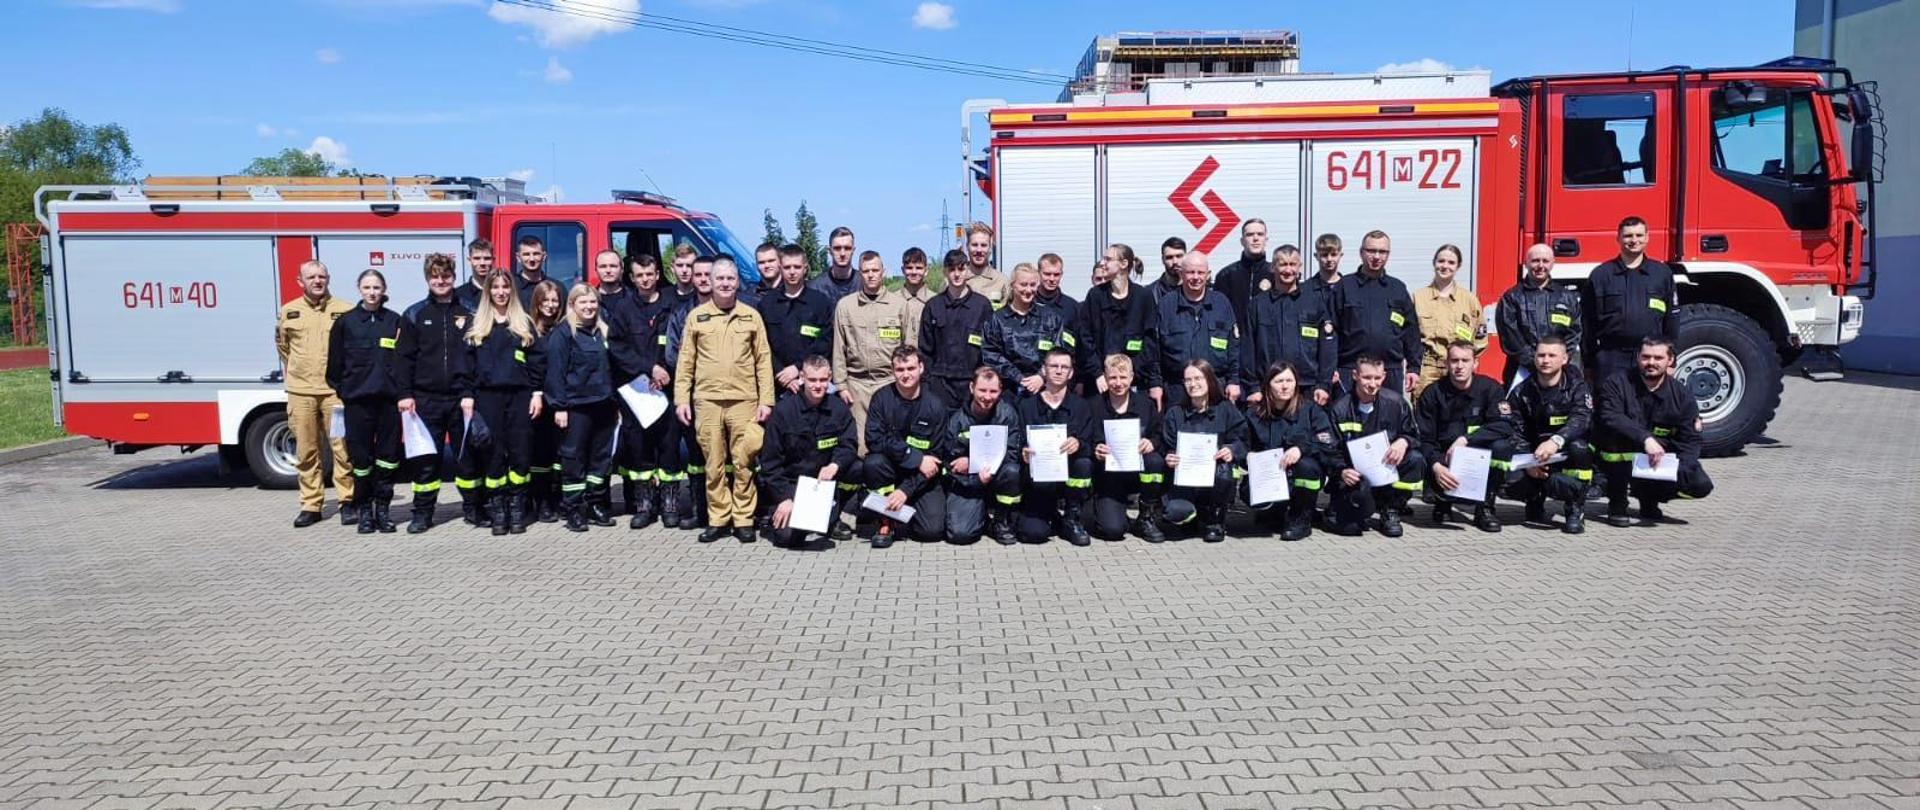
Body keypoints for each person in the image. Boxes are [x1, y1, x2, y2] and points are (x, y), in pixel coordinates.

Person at [675, 257, 776, 543]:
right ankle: (718, 518)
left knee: (744, 461)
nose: (725, 284)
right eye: (720, 279)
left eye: (730, 279)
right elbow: (686, 361)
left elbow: (763, 359)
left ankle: (743, 519)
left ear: (737, 282)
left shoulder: (751, 316)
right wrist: (681, 399)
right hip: (707, 400)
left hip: (744, 399)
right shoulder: (696, 317)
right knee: (713, 463)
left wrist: (766, 400)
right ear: (711, 282)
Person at [398, 253, 480, 534]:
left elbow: (476, 358)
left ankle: (473, 508)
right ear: (427, 279)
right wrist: (405, 394)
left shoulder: (469, 311)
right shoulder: (414, 314)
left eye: (446, 276)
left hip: (461, 400)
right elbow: (403, 359)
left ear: (453, 278)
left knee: (466, 458)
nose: (441, 281)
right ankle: (422, 513)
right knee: (425, 461)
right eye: (435, 276)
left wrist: (470, 392)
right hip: (425, 400)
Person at [1594, 336, 1713, 526]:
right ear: (1637, 357)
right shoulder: (1617, 383)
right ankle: (1617, 503)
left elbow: (1690, 439)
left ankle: (1650, 497)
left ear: (1670, 360)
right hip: (1621, 453)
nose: (1651, 363)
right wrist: (1646, 439)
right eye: (1646, 357)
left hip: (1659, 458)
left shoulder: (1681, 395)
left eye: (1658, 358)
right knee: (1614, 441)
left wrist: (1681, 468)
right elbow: (1610, 416)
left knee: (1699, 484)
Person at [327, 268, 410, 534]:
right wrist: (346, 391)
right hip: (358, 403)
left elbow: (404, 361)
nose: (372, 292)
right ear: (359, 289)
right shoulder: (346, 323)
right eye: (367, 287)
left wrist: (400, 392)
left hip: (388, 403)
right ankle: (364, 511)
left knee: (388, 459)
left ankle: (383, 511)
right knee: (361, 460)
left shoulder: (395, 321)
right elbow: (334, 366)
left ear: (384, 290)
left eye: (376, 287)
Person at [277, 259, 356, 528]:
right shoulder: (289, 311)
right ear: (300, 282)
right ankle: (311, 505)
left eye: (321, 276)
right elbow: (283, 348)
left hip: (334, 392)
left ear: (328, 279)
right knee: (307, 451)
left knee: (342, 449)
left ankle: (347, 501)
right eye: (311, 277)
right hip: (301, 392)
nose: (317, 281)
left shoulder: (344, 310)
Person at [464, 269, 543, 535]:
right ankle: (499, 509)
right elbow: (466, 366)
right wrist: (467, 396)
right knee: (493, 454)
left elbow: (537, 361)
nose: (501, 292)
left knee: (521, 452)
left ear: (512, 290)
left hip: (520, 397)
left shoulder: (523, 322)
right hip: (487, 398)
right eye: (495, 287)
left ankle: (517, 508)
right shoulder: (477, 324)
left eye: (505, 287)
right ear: (488, 291)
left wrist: (537, 393)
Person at [1414, 340, 1516, 533]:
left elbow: (1504, 425)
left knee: (1501, 447)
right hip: (1444, 461)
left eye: (1465, 360)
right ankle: (1442, 503)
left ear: (1475, 363)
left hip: (1479, 459)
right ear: (1447, 363)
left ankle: (1485, 508)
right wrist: (1436, 467)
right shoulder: (1432, 394)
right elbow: (1423, 438)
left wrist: (1466, 440)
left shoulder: (1490, 389)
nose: (1459, 366)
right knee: (1419, 456)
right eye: (1454, 360)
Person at [759, 355, 859, 547]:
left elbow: (849, 443)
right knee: (787, 538)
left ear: (830, 378)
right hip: (792, 484)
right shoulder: (784, 411)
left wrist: (835, 464)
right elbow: (770, 464)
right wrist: (784, 498)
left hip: (824, 484)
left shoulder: (838, 408)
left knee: (861, 467)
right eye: (812, 380)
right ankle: (778, 515)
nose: (818, 386)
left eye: (822, 380)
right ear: (802, 378)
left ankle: (833, 516)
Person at [1325, 355, 1426, 538]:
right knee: (1352, 526)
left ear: (1384, 376)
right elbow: (1330, 450)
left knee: (1415, 460)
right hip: (1354, 476)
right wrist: (1341, 470)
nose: (1372, 384)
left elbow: (1415, 435)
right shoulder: (1339, 409)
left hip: (1386, 470)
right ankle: (1342, 508)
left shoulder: (1397, 404)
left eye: (1377, 378)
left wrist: (1404, 441)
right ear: (1355, 375)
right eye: (1367, 378)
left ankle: (1391, 509)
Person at [860, 346, 951, 546]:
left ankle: (900, 513)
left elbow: (935, 460)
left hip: (921, 477)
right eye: (900, 369)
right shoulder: (881, 398)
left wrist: (905, 491)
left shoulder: (935, 405)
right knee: (873, 463)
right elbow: (873, 439)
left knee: (931, 532)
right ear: (893, 371)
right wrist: (914, 457)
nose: (906, 374)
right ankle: (885, 521)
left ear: (921, 368)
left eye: (910, 368)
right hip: (890, 469)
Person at [546, 284, 618, 532]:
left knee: (601, 458)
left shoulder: (602, 331)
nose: (589, 307)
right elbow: (555, 372)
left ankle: (595, 503)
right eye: (583, 302)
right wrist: (559, 406)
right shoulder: (563, 334)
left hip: (604, 405)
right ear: (572, 305)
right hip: (576, 407)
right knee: (573, 458)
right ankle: (573, 508)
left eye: (593, 302)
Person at [1503, 336, 1594, 534]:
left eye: (1552, 355)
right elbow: (1514, 430)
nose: (1545, 360)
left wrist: (1556, 440)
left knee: (1580, 448)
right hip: (1534, 455)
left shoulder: (1577, 387)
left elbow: (1581, 419)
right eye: (1541, 355)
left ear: (1564, 359)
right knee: (1511, 482)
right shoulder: (1521, 391)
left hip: (1566, 452)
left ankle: (1575, 507)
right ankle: (1534, 499)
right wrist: (1528, 464)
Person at [621, 253, 683, 529]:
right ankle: (645, 505)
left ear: (658, 275)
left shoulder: (672, 306)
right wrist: (648, 369)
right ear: (632, 278)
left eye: (650, 274)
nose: (645, 279)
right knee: (639, 448)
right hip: (637, 391)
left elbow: (680, 344)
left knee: (669, 446)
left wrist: (665, 371)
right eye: (639, 275)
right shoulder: (624, 309)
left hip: (667, 388)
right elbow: (618, 348)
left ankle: (670, 504)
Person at [1243, 362, 1336, 541]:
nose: (1285, 386)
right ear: (1268, 385)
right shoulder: (1254, 414)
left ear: (1296, 383)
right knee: (1248, 492)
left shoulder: (1310, 410)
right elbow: (1241, 443)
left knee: (1307, 467)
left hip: (1300, 474)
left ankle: (1301, 518)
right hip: (1270, 477)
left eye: (1289, 381)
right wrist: (1247, 455)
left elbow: (1327, 442)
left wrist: (1301, 449)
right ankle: (1274, 512)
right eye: (1279, 381)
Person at [831, 250, 911, 453]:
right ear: (860, 273)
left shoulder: (899, 305)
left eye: (875, 270)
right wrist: (841, 385)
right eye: (866, 271)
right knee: (860, 446)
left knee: (890, 442)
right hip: (857, 385)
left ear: (883, 271)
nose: (871, 275)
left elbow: (909, 348)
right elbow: (839, 348)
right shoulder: (846, 306)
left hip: (890, 383)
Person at [1014, 349, 1095, 546]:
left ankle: (1072, 517)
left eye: (1064, 367)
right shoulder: (1026, 406)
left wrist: (1079, 444)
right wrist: (1022, 452)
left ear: (1071, 373)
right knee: (1034, 534)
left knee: (1083, 464)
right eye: (1054, 366)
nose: (1059, 371)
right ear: (1044, 370)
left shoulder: (1081, 406)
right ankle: (1048, 514)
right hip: (1037, 483)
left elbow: (1090, 445)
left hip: (1068, 482)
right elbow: (1016, 442)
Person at [1159, 360, 1246, 543]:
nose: (1193, 384)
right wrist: (1168, 457)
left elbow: (1242, 440)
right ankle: (1192, 517)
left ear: (1209, 380)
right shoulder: (1175, 413)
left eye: (1198, 378)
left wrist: (1231, 450)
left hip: (1215, 482)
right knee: (1176, 513)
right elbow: (1164, 447)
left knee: (1225, 470)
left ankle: (1215, 521)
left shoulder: (1226, 409)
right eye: (1188, 380)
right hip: (1183, 483)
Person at [1241, 244, 1337, 407]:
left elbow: (1328, 346)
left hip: (1308, 388)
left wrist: (1323, 385)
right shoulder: (1258, 305)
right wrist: (1253, 387)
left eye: (1293, 264)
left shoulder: (1314, 302)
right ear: (1272, 267)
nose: (1288, 270)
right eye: (1283, 264)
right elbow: (1247, 348)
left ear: (1300, 267)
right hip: (1268, 388)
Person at [1585, 216, 1677, 382]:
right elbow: (1587, 323)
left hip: (1650, 357)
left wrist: (1671, 359)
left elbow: (1671, 319)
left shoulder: (1662, 274)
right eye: (1628, 236)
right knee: (1609, 399)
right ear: (1618, 238)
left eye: (1639, 235)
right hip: (1611, 358)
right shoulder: (1601, 275)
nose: (1634, 240)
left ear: (1647, 238)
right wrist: (1589, 363)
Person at [591, 249, 648, 517]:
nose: (608, 270)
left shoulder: (633, 300)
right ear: (596, 269)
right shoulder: (588, 299)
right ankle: (600, 500)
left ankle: (633, 497)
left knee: (631, 440)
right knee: (600, 441)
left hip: (629, 380)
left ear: (621, 270)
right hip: (597, 381)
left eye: (613, 266)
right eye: (603, 266)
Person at [939, 367, 1024, 545]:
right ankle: (981, 517)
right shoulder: (957, 420)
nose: (987, 396)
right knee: (960, 534)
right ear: (972, 388)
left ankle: (1001, 520)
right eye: (982, 390)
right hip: (968, 483)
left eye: (993, 391)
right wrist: (976, 478)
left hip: (998, 477)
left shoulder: (1008, 415)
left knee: (1012, 471)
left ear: (1000, 390)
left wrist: (974, 464)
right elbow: (949, 465)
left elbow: (1012, 454)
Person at [1087, 355, 1167, 543]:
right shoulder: (1093, 405)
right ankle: (1103, 510)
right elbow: (1085, 438)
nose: (1118, 383)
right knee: (1113, 530)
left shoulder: (1145, 405)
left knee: (1155, 461)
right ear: (1105, 377)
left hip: (1137, 474)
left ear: (1131, 377)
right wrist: (1094, 449)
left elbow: (1158, 435)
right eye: (1113, 377)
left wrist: (1152, 443)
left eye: (1123, 377)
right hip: (1108, 476)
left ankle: (1146, 516)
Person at [1331, 230, 1421, 394]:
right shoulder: (1344, 287)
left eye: (1382, 251)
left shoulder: (1397, 289)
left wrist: (1414, 367)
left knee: (1390, 410)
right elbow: (1331, 331)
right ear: (1361, 252)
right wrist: (1330, 368)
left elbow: (1411, 331)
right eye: (1371, 251)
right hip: (1351, 371)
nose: (1377, 256)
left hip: (1389, 372)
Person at [1150, 252, 1240, 410]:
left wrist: (1234, 381)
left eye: (1200, 272)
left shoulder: (1221, 303)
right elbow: (1153, 349)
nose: (1196, 277)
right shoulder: (1166, 305)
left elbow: (1234, 346)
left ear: (1208, 275)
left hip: (1216, 387)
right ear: (1181, 274)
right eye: (1191, 272)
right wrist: (1155, 384)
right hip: (1177, 389)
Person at [663, 256, 715, 529]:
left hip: (721, 393)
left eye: (708, 274)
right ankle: (698, 509)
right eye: (699, 275)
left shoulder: (732, 309)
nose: (704, 279)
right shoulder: (680, 314)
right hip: (692, 392)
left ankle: (721, 510)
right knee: (695, 453)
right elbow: (673, 355)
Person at [1073, 243, 1156, 398]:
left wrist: (1129, 373)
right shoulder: (1095, 295)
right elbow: (1085, 338)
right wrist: (1098, 373)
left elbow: (1150, 341)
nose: (1102, 263)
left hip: (1135, 381)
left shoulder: (1143, 296)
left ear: (1123, 264)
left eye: (1108, 259)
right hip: (1100, 383)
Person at [1496, 243, 1584, 385]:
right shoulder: (1511, 298)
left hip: (1559, 371)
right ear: (1526, 263)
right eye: (1535, 261)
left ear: (1553, 263)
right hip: (1522, 371)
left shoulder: (1567, 298)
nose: (1540, 266)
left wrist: (1555, 360)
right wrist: (1537, 362)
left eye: (1545, 261)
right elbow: (1510, 338)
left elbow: (1574, 332)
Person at [759, 244, 836, 399]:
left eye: (797, 267)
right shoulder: (767, 304)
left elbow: (824, 343)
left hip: (812, 385)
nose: (792, 272)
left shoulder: (820, 303)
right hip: (778, 385)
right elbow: (763, 345)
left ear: (805, 268)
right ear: (780, 267)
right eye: (787, 267)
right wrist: (782, 374)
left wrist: (798, 368)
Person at [918, 250, 993, 406]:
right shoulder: (933, 306)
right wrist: (929, 382)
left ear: (968, 270)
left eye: (961, 269)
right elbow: (925, 351)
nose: (957, 274)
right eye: (952, 269)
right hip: (940, 385)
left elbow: (991, 348)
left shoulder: (982, 306)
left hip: (973, 384)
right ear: (945, 272)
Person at [980, 264, 1066, 399]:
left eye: (1032, 285)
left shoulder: (1051, 318)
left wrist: (1041, 376)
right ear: (1013, 285)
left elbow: (1059, 352)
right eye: (1023, 285)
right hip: (1008, 391)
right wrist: (1018, 377)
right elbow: (991, 354)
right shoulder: (997, 319)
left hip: (1043, 389)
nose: (1028, 290)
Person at [1412, 244, 1487, 397]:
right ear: (1434, 263)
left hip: (1459, 368)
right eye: (1441, 261)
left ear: (1458, 266)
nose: (1445, 266)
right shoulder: (1418, 298)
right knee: (1425, 408)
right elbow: (1408, 337)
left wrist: (1468, 361)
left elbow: (1480, 336)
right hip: (1428, 368)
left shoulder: (1469, 300)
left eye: (1451, 262)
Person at [526, 280, 567, 522]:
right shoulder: (528, 330)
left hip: (560, 399)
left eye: (555, 300)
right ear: (537, 302)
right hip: (537, 400)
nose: (550, 305)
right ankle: (540, 501)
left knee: (560, 454)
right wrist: (536, 393)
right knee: (540, 453)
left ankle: (557, 499)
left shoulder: (564, 329)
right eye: (546, 300)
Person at [1210, 218, 1272, 334]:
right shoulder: (1226, 275)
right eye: (1250, 235)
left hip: (1267, 340)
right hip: (1236, 340)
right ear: (1242, 241)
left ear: (1266, 240)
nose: (1255, 238)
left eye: (1260, 234)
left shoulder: (1275, 274)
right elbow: (1217, 312)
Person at [961, 222, 1009, 306]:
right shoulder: (955, 280)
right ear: (967, 246)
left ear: (990, 248)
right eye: (974, 245)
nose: (979, 250)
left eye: (983, 245)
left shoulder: (1001, 281)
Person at [810, 226, 861, 301]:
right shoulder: (815, 288)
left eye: (847, 248)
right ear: (830, 251)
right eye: (837, 248)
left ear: (853, 250)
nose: (842, 253)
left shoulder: (864, 285)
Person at [1033, 252, 1080, 329]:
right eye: (1047, 274)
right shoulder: (1028, 304)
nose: (1052, 279)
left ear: (1061, 274)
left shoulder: (1072, 307)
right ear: (1038, 273)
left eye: (1056, 275)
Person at [453, 238, 495, 312]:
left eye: (487, 258)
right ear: (469, 260)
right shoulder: (458, 295)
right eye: (477, 258)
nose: (482, 263)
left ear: (493, 260)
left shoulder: (503, 292)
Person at [899, 247, 937, 327]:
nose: (914, 272)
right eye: (909, 268)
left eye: (919, 268)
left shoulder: (936, 301)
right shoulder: (893, 301)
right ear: (903, 270)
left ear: (926, 270)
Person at [512, 235, 551, 310]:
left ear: (544, 257)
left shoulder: (557, 287)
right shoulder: (510, 286)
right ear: (518, 258)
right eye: (526, 254)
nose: (532, 259)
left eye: (536, 254)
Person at [1149, 237, 1187, 308]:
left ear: (1186, 257)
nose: (1175, 261)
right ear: (1163, 260)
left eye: (1179, 256)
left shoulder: (1198, 290)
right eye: (1169, 257)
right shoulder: (1151, 293)